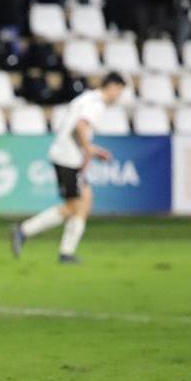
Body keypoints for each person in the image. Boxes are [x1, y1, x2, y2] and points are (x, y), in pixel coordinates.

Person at [10, 73, 126, 264]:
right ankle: (24, 230)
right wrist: (89, 149)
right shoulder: (96, 104)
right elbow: (80, 126)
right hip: (67, 158)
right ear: (112, 86)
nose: (119, 96)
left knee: (85, 200)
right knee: (73, 206)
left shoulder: (87, 98)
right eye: (119, 91)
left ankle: (67, 252)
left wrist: (87, 152)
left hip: (70, 156)